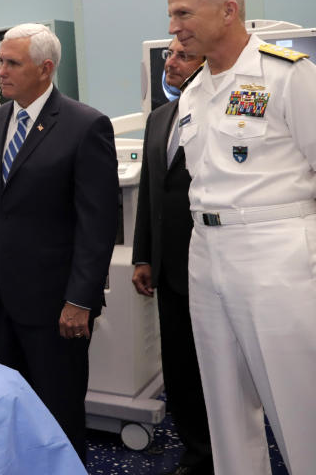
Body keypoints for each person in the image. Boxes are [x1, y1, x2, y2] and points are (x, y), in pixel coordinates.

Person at [167, 0, 316, 474]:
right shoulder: (193, 92)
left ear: (228, 10)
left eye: (183, 12)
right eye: (172, 14)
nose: (174, 27)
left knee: (297, 401)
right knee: (224, 402)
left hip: (275, 250)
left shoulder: (285, 74)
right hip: (205, 253)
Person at [0, 23, 118, 461]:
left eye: (11, 63)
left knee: (59, 413)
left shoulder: (85, 126)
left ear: (45, 69)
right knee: (9, 408)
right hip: (1, 301)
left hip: (56, 305)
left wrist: (81, 299)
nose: (0, 71)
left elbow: (98, 224)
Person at [131, 39, 213, 475]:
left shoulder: (223, 110)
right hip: (170, 268)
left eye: (183, 55)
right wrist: (144, 256)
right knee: (180, 369)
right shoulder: (160, 118)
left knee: (225, 370)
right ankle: (197, 453)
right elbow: (151, 192)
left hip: (217, 262)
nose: (171, 63)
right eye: (170, 55)